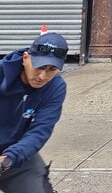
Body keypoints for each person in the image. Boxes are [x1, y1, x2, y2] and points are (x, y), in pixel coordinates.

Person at [0, 32, 69, 193]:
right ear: (25, 58)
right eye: (39, 67)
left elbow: (39, 131)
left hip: (15, 152)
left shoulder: (56, 87)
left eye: (52, 69)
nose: (43, 76)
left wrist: (9, 158)